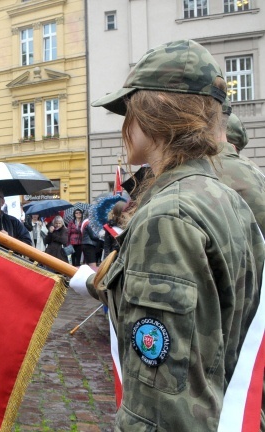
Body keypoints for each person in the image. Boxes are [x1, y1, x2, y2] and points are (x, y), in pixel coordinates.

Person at [71, 39, 264, 430]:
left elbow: (160, 408)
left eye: (128, 110)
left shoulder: (168, 216)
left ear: (152, 113)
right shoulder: (224, 198)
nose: (125, 126)